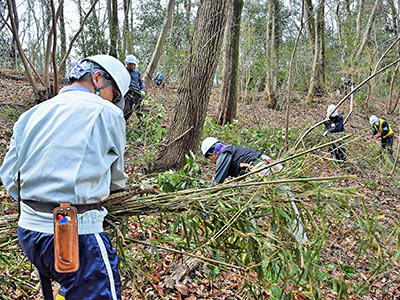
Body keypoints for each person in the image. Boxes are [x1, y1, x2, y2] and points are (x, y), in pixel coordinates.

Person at [0, 55, 130, 300]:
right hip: (74, 236)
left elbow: (9, 177)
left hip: (29, 233)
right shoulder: (108, 112)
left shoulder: (31, 114)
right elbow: (116, 180)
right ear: (98, 78)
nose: (113, 100)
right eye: (113, 93)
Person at [201, 137, 308, 244]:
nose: (212, 161)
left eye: (210, 159)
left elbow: (217, 182)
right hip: (273, 166)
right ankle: (302, 242)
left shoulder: (224, 154)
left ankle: (252, 240)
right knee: (288, 206)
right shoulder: (233, 150)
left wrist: (205, 202)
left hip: (259, 170)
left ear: (211, 154)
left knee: (245, 206)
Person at [124, 54, 145, 121]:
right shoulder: (123, 72)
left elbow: (141, 82)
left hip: (137, 93)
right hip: (127, 93)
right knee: (127, 110)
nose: (134, 66)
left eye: (134, 64)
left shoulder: (137, 73)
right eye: (133, 64)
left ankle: (141, 124)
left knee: (139, 110)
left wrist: (143, 90)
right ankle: (124, 123)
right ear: (128, 64)